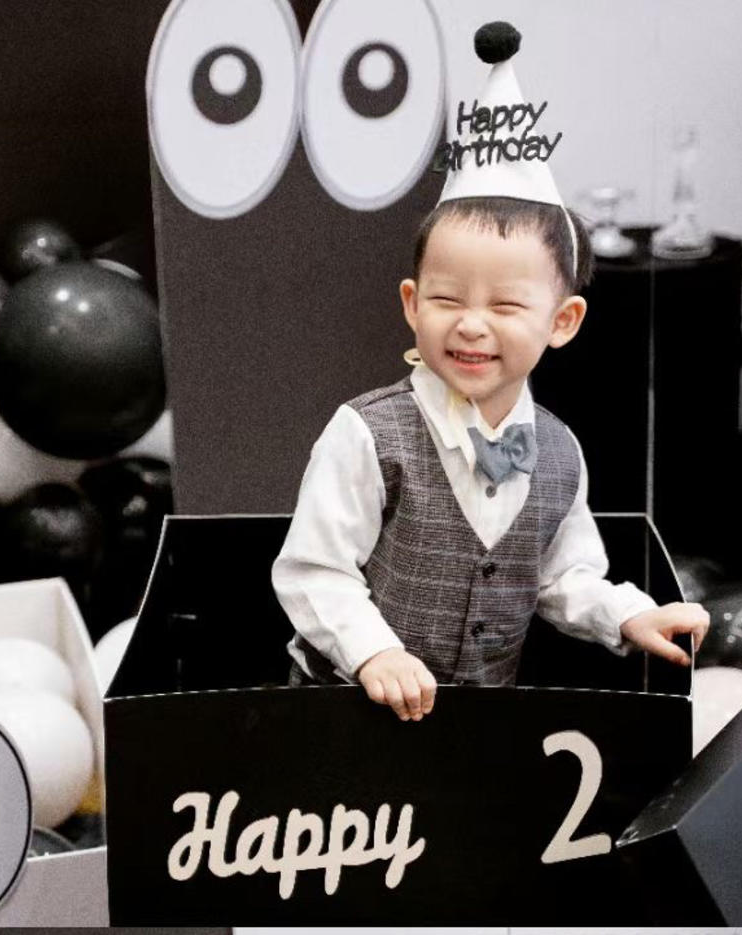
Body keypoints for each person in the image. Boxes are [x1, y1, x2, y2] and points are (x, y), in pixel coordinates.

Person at [271, 20, 709, 722]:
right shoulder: (366, 434)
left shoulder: (559, 451)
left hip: (482, 725)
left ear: (562, 321)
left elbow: (562, 576)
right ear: (413, 305)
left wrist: (628, 615)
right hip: (348, 715)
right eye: (447, 299)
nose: (472, 324)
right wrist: (374, 653)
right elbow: (313, 568)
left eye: (506, 305)